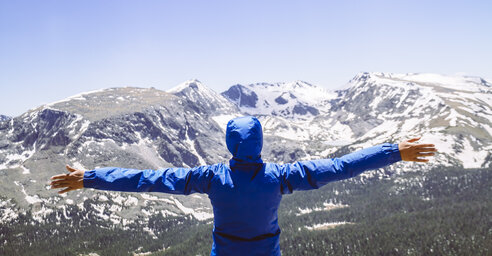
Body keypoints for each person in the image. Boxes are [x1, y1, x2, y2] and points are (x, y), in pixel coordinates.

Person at [51, 116, 436, 256]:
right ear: (260, 143)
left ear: (230, 146)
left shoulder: (210, 178)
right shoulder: (282, 177)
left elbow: (146, 179)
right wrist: (393, 152)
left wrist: (89, 177)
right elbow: (339, 166)